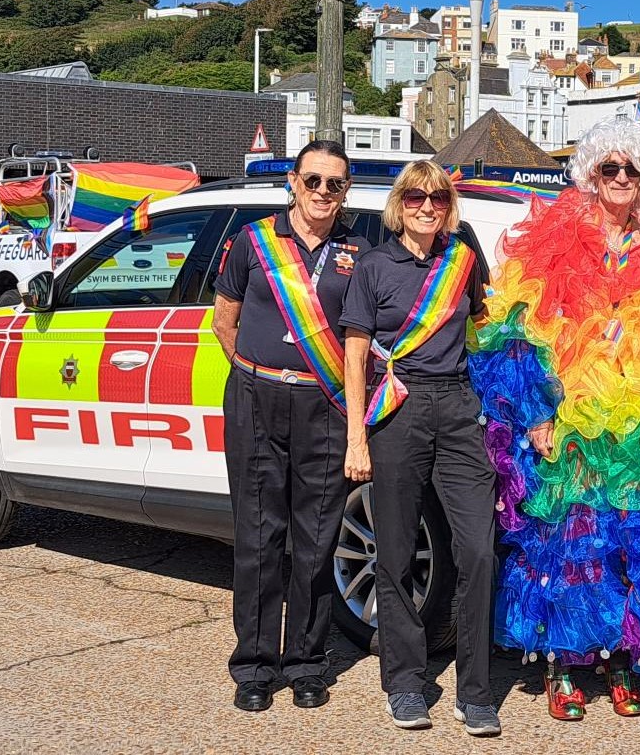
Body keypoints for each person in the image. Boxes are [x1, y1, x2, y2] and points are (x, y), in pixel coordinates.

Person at [468, 117, 640, 721]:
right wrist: (533, 414)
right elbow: (513, 336)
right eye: (611, 168)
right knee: (571, 544)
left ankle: (626, 661)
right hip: (569, 423)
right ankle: (567, 664)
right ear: (592, 174)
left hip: (636, 429)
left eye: (633, 170)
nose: (622, 179)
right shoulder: (557, 236)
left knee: (632, 541)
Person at [340, 160, 499, 737]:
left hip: (458, 409)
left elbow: (486, 333)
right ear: (399, 204)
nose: (426, 206)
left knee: (479, 550)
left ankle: (475, 692)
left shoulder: (463, 262)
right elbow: (354, 355)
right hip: (398, 409)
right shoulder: (374, 266)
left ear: (448, 205)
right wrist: (357, 435)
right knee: (397, 553)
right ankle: (405, 684)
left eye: (436, 197)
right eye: (415, 197)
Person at [212, 140, 370, 712]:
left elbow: (361, 338)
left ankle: (306, 662)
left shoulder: (358, 248)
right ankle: (254, 666)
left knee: (315, 541)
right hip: (256, 398)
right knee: (258, 539)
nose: (323, 192)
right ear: (293, 184)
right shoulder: (253, 242)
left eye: (335, 184)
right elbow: (223, 320)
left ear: (345, 190)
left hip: (323, 406)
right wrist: (259, 371)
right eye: (313, 181)